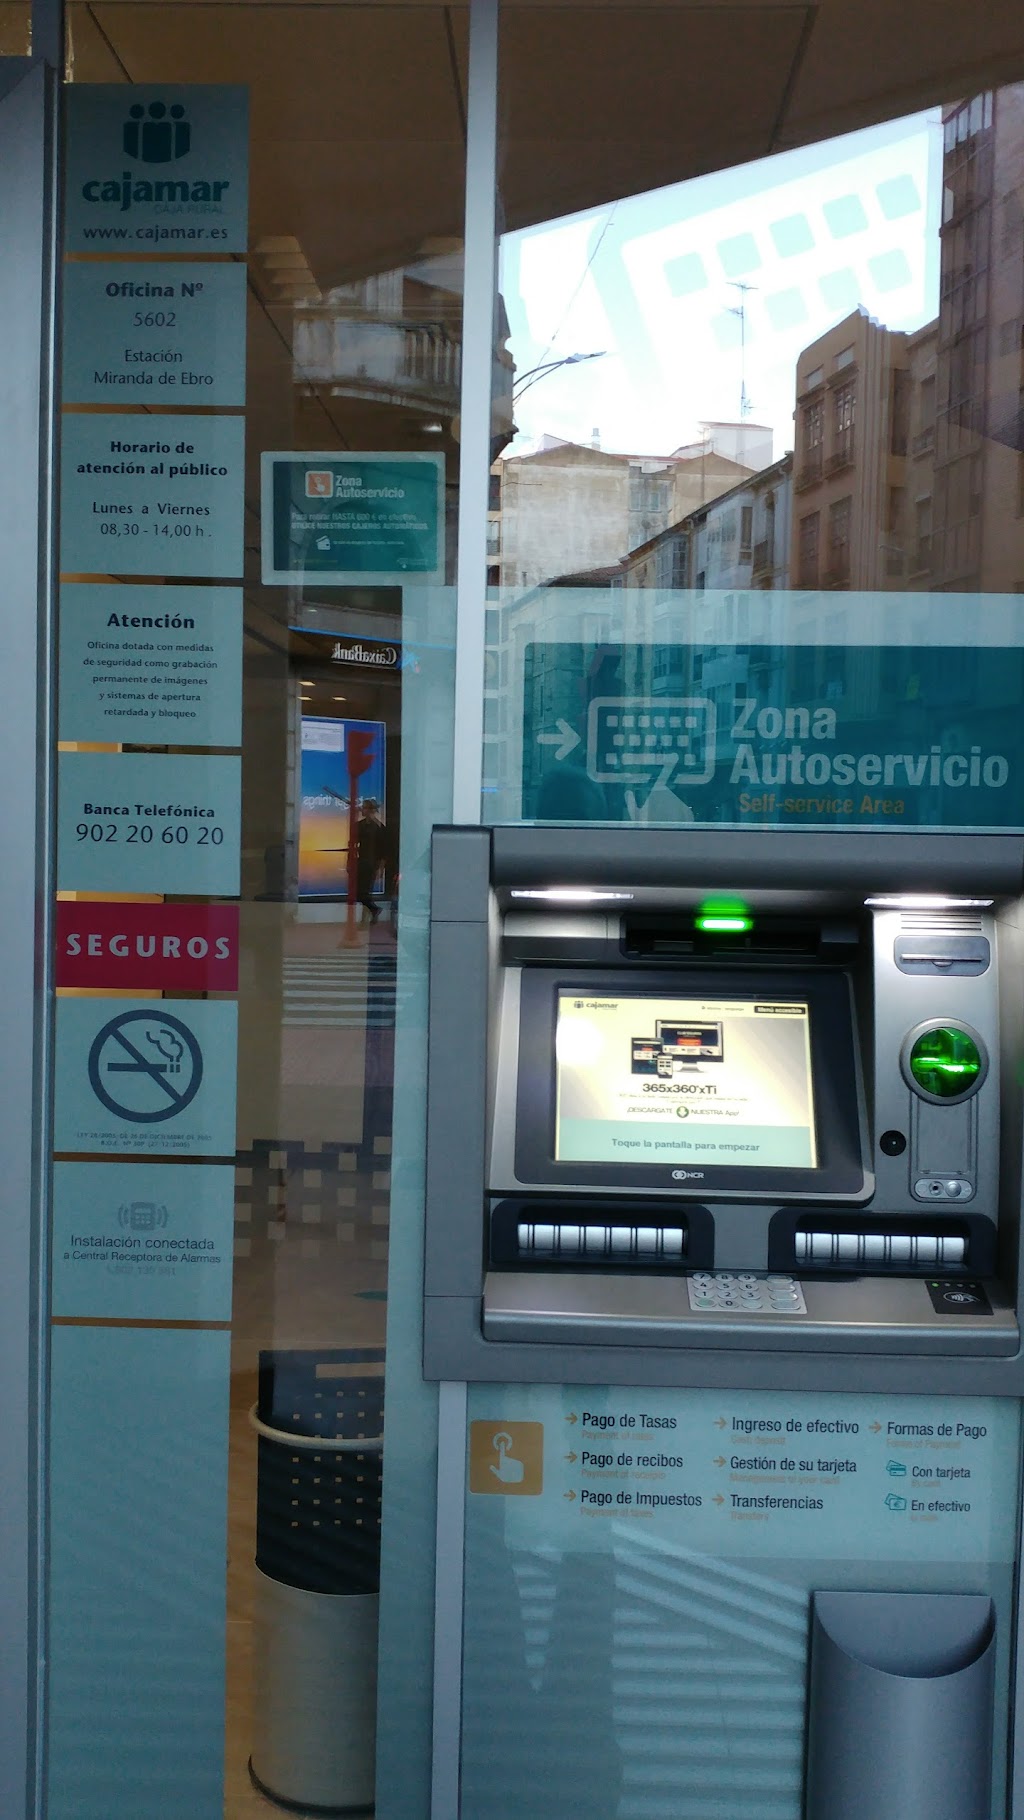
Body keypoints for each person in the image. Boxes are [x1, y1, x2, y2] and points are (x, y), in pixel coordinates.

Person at [355, 799, 387, 924]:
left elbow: (384, 850)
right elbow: (353, 841)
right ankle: (371, 912)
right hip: (361, 861)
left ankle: (372, 912)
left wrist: (381, 868)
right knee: (359, 893)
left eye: (364, 808)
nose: (362, 810)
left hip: (372, 863)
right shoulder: (359, 825)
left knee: (364, 892)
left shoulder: (379, 827)